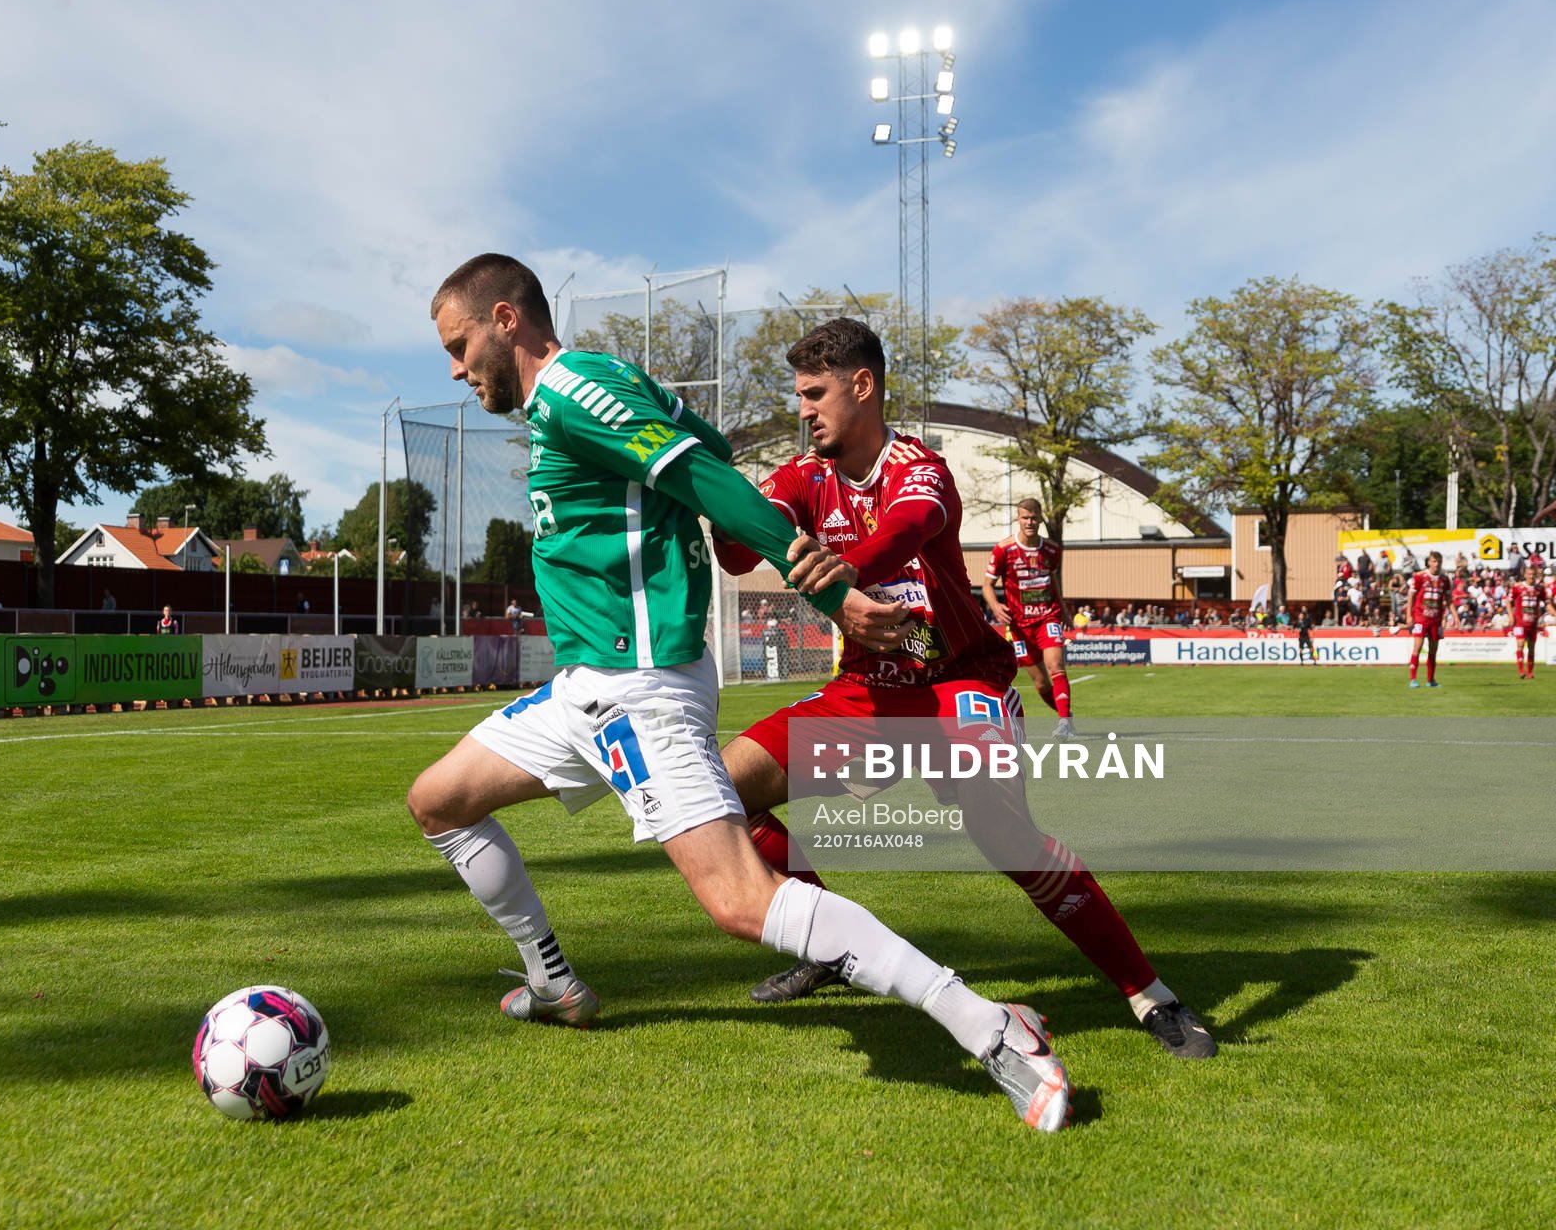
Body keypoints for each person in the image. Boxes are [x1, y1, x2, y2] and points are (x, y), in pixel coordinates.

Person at [409, 255, 1072, 1131]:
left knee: (738, 901)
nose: (457, 371)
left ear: (504, 318)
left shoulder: (573, 389)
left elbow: (705, 476)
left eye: (459, 347)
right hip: (583, 685)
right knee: (439, 801)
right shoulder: (604, 379)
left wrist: (834, 591)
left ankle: (994, 1029)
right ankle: (554, 981)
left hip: (638, 685)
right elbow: (709, 446)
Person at [709, 317, 1214, 1060]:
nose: (804, 410)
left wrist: (847, 570)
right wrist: (711, 483)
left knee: (1004, 836)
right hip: (869, 687)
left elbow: (911, 528)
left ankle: (1150, 995)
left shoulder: (920, 466)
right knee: (718, 793)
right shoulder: (801, 477)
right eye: (798, 397)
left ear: (862, 385)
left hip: (956, 674)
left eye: (815, 394)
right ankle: (823, 944)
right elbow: (734, 552)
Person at [983, 498, 1074, 740]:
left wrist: (1063, 609)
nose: (1030, 522)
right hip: (1018, 625)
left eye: (1034, 517)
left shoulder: (1052, 550)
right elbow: (987, 586)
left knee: (1056, 666)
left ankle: (1064, 722)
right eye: (1025, 517)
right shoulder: (1004, 549)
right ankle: (1067, 715)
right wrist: (995, 605)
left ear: (1041, 518)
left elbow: (1052, 580)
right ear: (1018, 519)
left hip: (1047, 617)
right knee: (1041, 683)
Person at [1408, 552, 1451, 688]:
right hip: (1421, 618)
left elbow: (1448, 600)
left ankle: (1430, 680)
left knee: (1433, 651)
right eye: (1434, 561)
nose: (1436, 564)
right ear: (1429, 562)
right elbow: (1411, 597)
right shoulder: (1419, 576)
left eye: (1439, 561)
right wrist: (1409, 615)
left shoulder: (1445, 579)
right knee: (1417, 648)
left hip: (1436, 620)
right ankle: (1413, 679)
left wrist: (1454, 616)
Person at [1510, 564, 1547, 679]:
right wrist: (1511, 616)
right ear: (1525, 575)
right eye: (1529, 574)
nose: (1531, 576)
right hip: (1520, 622)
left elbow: (1545, 601)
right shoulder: (1517, 587)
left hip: (1533, 623)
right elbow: (1509, 602)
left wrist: (1542, 616)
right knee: (1520, 645)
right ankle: (1521, 671)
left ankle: (1530, 672)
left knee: (1531, 648)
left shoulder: (1539, 589)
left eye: (1533, 574)